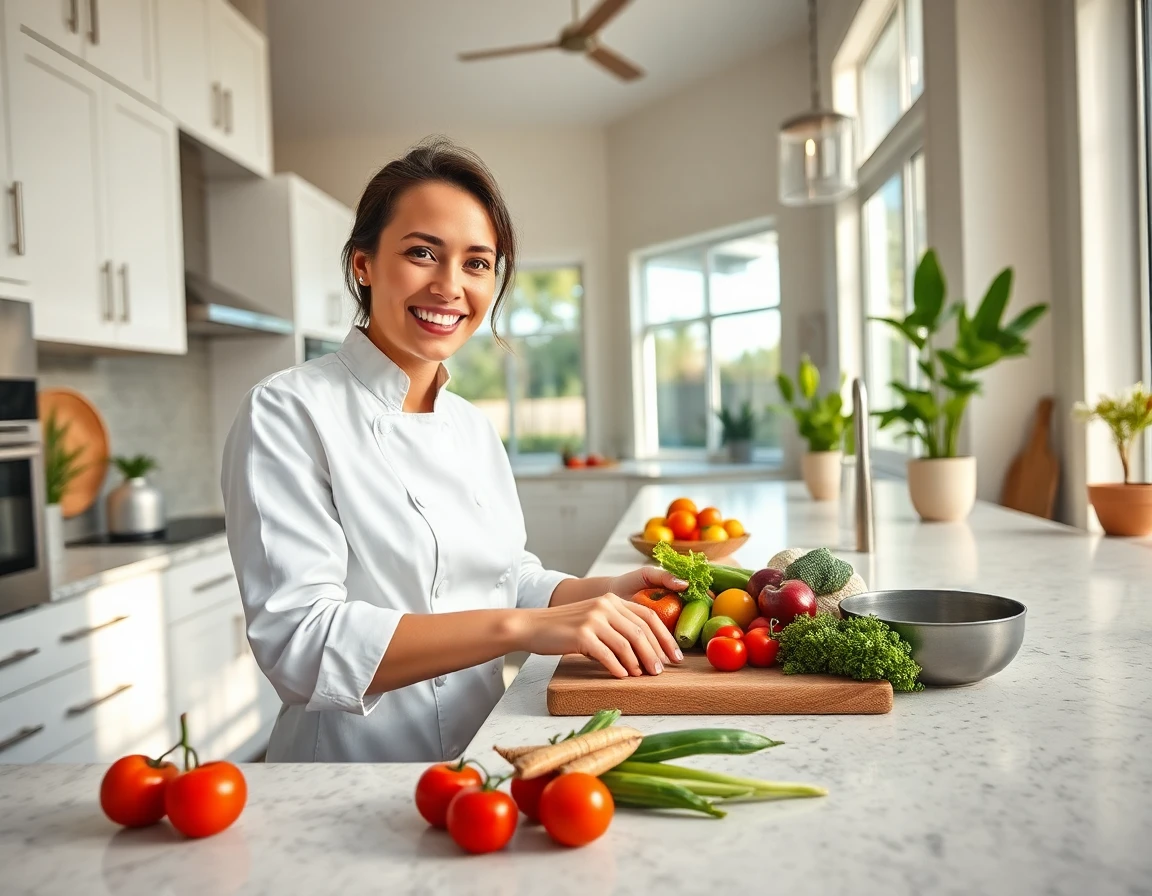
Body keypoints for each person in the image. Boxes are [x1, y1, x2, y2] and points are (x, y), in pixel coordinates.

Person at [220, 138, 686, 762]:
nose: (449, 287)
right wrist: (526, 629)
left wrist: (597, 592)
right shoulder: (288, 411)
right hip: (346, 777)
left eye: (476, 263)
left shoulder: (470, 426)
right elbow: (301, 646)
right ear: (363, 263)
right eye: (421, 254)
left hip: (481, 761)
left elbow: (504, 577)